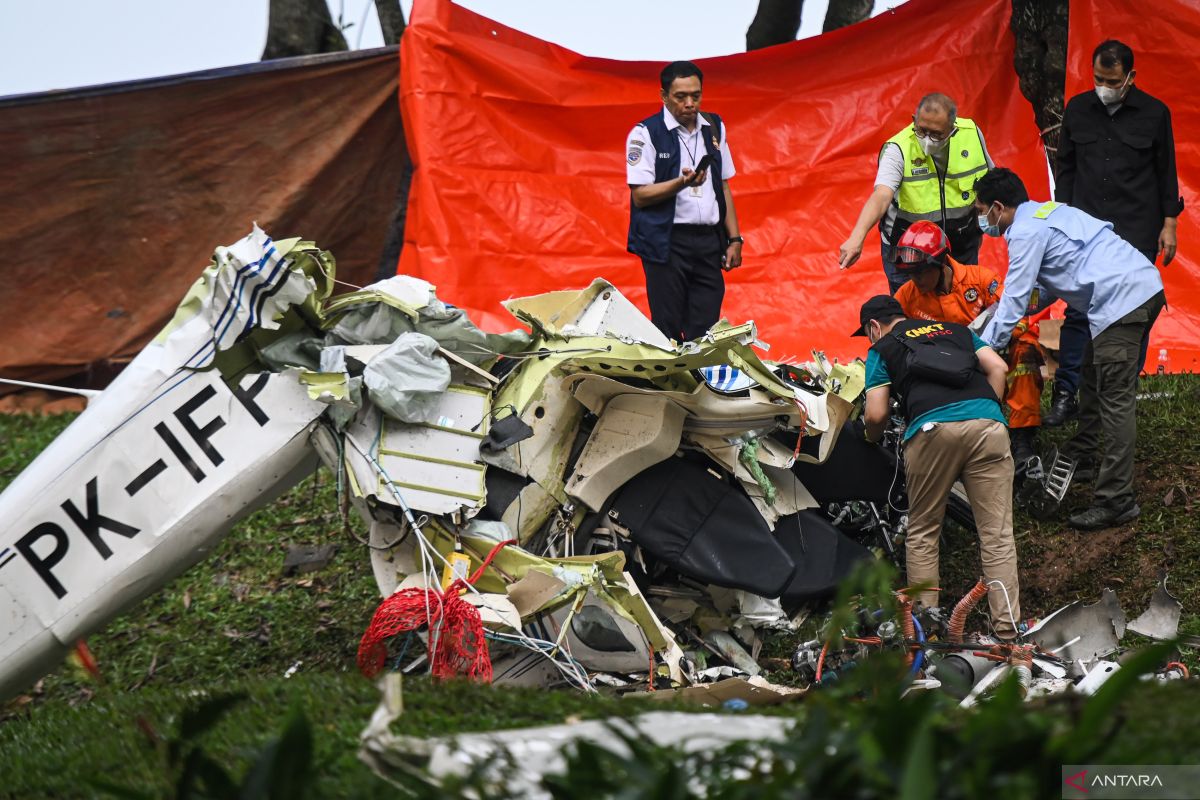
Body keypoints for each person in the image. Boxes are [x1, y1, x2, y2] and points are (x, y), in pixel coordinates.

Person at [976, 168, 1165, 530]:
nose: (982, 219)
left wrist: (981, 350)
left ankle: (1116, 500)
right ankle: (1084, 454)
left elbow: (1013, 304)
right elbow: (1054, 277)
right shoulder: (1049, 211)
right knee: (1091, 376)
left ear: (998, 207)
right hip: (1132, 289)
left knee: (1115, 398)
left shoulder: (1025, 232)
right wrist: (1028, 303)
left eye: (981, 210)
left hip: (1121, 301)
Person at [856, 294, 1021, 639]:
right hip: (989, 427)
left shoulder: (881, 348)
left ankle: (927, 635)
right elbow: (999, 367)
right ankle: (1007, 633)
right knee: (997, 536)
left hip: (931, 432)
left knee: (923, 532)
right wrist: (985, 415)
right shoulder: (956, 331)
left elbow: (876, 414)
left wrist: (871, 438)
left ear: (873, 327)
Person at [1047, 39, 1184, 426]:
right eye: (1097, 79)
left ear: (1130, 78)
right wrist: (1063, 221)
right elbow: (1067, 170)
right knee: (1078, 311)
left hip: (1136, 229)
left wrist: (1169, 224)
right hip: (1086, 230)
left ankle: (1120, 387)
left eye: (1111, 80)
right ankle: (1067, 392)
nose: (1103, 87)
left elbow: (1165, 171)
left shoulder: (1155, 114)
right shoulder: (1078, 109)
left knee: (1132, 313)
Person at [891, 221, 1043, 466]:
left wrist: (990, 342)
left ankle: (1022, 438)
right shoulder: (906, 297)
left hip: (989, 357)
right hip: (943, 370)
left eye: (920, 272)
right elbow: (893, 338)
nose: (915, 279)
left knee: (1025, 348)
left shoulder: (980, 280)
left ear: (940, 263)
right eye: (910, 273)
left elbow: (1018, 313)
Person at [626, 60, 744, 342]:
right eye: (680, 97)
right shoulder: (646, 134)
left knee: (706, 329)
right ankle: (668, 385)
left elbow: (724, 187)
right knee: (667, 327)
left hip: (707, 242)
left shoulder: (714, 127)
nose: (690, 103)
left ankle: (700, 383)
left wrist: (736, 239)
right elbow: (640, 196)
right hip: (667, 243)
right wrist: (682, 183)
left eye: (696, 95)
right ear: (664, 96)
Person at [838, 93, 994, 294]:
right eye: (921, 130)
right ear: (914, 120)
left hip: (960, 249)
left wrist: (983, 226)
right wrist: (856, 238)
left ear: (952, 129)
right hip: (908, 257)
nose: (927, 139)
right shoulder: (898, 148)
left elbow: (989, 180)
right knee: (911, 321)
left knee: (962, 312)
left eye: (936, 134)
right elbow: (881, 195)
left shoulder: (971, 135)